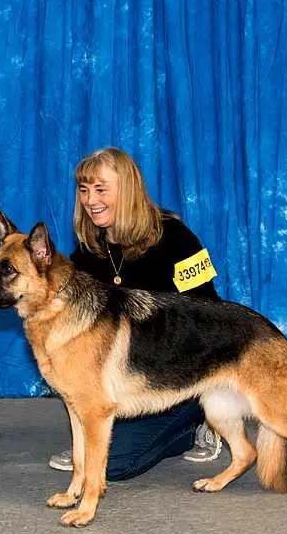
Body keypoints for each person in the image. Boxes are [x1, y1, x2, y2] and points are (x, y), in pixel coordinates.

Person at [48, 147, 222, 480]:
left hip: (177, 379)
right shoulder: (86, 251)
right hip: (123, 384)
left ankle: (196, 423)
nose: (89, 199)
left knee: (112, 466)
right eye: (83, 190)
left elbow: (210, 313)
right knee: (93, 457)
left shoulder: (176, 238)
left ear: (126, 189)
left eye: (101, 189)